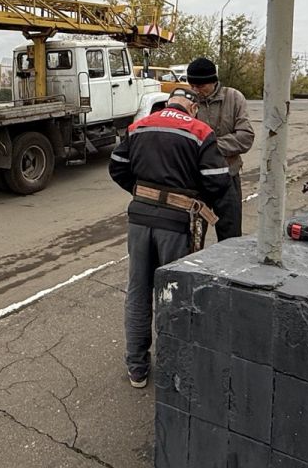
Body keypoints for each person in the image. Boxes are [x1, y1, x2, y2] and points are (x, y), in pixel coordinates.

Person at [109, 88, 232, 389]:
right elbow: (218, 181)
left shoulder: (139, 126)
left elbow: (117, 167)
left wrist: (146, 196)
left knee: (138, 291)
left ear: (168, 103)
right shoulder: (200, 131)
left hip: (139, 220)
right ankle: (172, 364)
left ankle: (137, 368)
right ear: (191, 106)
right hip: (177, 225)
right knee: (175, 294)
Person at [186, 57, 255, 240]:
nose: (196, 91)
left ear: (214, 81)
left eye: (200, 86)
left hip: (228, 177)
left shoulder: (234, 98)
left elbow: (245, 138)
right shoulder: (187, 101)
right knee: (192, 236)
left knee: (230, 235)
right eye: (192, 85)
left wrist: (207, 147)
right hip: (196, 180)